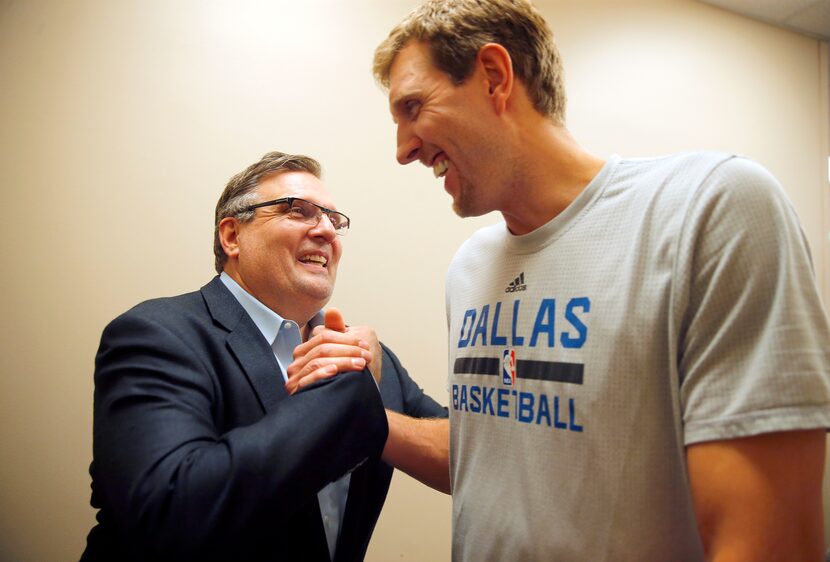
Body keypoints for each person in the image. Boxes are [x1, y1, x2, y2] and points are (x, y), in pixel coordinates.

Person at [304, 0, 830, 560]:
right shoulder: (471, 268)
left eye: (414, 107)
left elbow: (767, 542)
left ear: (494, 76)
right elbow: (499, 454)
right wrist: (365, 416)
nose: (403, 150)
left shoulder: (709, 209)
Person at [80, 151, 447, 562]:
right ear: (232, 236)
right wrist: (343, 400)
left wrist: (368, 411)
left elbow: (469, 459)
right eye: (298, 211)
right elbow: (170, 515)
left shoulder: (368, 361)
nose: (327, 230)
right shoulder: (155, 334)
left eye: (334, 219)